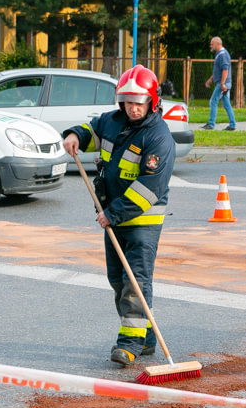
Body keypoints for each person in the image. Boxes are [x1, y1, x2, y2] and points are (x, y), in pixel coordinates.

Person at [62, 65, 176, 367]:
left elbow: (148, 189)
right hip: (112, 218)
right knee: (117, 279)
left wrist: (112, 214)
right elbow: (93, 130)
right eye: (127, 102)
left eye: (138, 102)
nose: (133, 108)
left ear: (152, 101)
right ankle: (147, 337)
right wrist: (75, 135)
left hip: (141, 223)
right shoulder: (114, 122)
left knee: (134, 282)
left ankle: (130, 343)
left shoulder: (159, 138)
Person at [201, 36, 236, 131]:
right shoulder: (219, 54)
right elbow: (219, 70)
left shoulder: (223, 54)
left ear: (218, 44)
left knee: (213, 102)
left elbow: (225, 70)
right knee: (226, 104)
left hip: (223, 84)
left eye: (212, 44)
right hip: (223, 83)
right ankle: (232, 125)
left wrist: (222, 84)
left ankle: (211, 124)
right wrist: (210, 79)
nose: (210, 46)